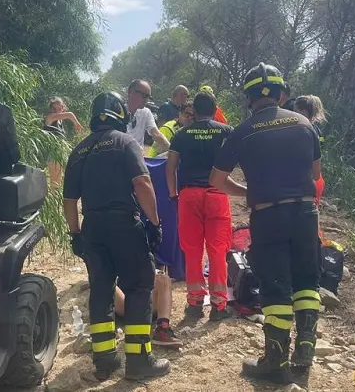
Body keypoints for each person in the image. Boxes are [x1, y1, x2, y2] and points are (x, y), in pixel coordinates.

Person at [209, 63, 322, 385]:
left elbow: (217, 180)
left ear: (248, 97)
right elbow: (315, 174)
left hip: (268, 214)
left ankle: (275, 360)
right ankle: (305, 350)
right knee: (306, 282)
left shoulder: (242, 131)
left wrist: (247, 191)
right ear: (282, 94)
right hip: (304, 213)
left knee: (276, 286)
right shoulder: (304, 123)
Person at [63, 91, 170, 381]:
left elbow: (69, 201)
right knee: (138, 286)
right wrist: (155, 222)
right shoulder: (125, 142)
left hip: (93, 227)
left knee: (101, 291)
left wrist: (75, 234)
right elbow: (142, 183)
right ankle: (138, 360)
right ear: (121, 116)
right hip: (124, 224)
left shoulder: (79, 151)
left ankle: (104, 360)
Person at [166, 92, 234, 321]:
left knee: (192, 250)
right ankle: (219, 305)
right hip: (217, 194)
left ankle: (195, 303)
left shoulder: (182, 133)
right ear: (215, 110)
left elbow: (170, 167)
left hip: (189, 195)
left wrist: (173, 194)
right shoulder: (226, 131)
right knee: (218, 250)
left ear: (194, 110)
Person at [113, 266, 182, 348]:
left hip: (145, 303)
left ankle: (162, 329)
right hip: (124, 305)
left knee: (163, 279)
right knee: (107, 283)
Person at [291, 95, 326, 206]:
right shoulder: (317, 130)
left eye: (295, 111)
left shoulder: (300, 130)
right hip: (316, 179)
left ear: (303, 111)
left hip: (302, 179)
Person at [44, 97, 83, 186]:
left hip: (59, 153)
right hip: (53, 153)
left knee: (58, 182)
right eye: (54, 109)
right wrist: (76, 123)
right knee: (55, 183)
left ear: (63, 107)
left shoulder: (60, 122)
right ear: (51, 109)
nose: (57, 111)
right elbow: (70, 114)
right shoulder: (50, 118)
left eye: (60, 108)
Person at [126, 80, 171, 155]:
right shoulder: (118, 111)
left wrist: (172, 151)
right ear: (131, 92)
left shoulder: (146, 112)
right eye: (144, 96)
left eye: (149, 97)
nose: (147, 100)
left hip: (137, 158)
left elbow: (156, 134)